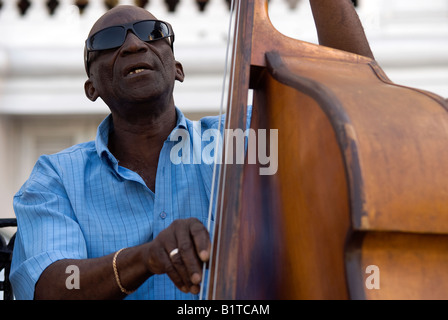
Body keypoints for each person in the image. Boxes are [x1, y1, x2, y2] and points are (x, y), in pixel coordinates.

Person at [10, 0, 374, 300]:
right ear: (91, 89)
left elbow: (356, 100)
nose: (135, 45)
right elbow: (54, 286)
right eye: (109, 41)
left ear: (178, 69)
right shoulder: (56, 178)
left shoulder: (242, 137)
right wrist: (146, 257)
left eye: (154, 34)